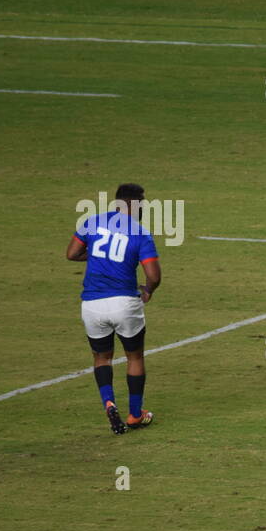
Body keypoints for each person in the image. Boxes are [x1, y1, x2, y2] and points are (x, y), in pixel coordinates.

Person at [66, 183, 160, 434]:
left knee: (102, 357)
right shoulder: (140, 234)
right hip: (124, 304)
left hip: (92, 305)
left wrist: (97, 255)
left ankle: (109, 402)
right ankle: (135, 415)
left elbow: (72, 254)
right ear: (136, 205)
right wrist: (149, 290)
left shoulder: (92, 222)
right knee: (135, 356)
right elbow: (154, 275)